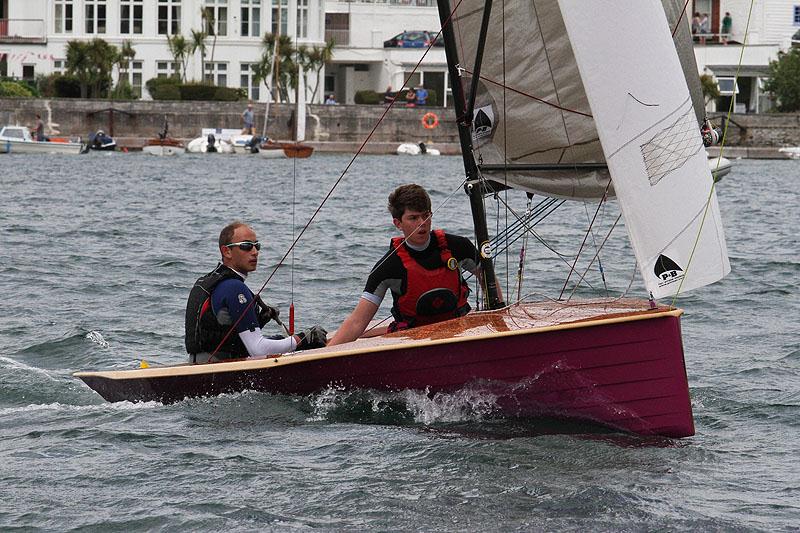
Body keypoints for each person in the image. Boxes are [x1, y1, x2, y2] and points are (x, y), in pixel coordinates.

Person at [328, 184, 503, 346]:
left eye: (426, 216)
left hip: (458, 331)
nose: (422, 223)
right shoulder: (389, 266)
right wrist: (327, 355)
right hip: (413, 339)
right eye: (413, 218)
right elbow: (358, 321)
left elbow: (489, 281)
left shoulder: (458, 246)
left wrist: (499, 321)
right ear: (398, 223)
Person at [185, 221, 327, 363]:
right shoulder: (234, 288)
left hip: (200, 364)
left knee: (279, 340)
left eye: (256, 245)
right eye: (246, 246)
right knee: (295, 342)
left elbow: (225, 333)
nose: (254, 252)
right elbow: (257, 349)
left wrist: (259, 320)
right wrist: (302, 338)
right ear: (226, 251)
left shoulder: (210, 281)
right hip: (220, 369)